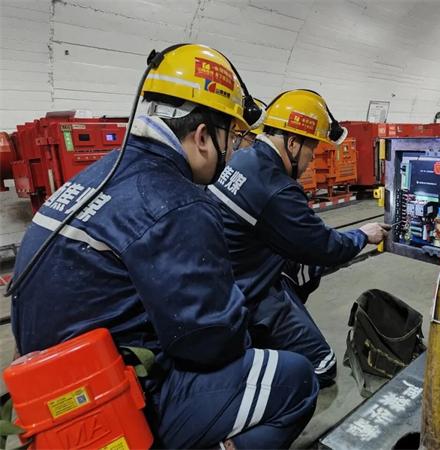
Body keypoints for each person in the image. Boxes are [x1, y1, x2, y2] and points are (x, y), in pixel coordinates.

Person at [9, 45, 318, 449]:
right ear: (203, 136)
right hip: (113, 403)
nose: (234, 151)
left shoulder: (102, 173)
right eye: (232, 137)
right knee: (295, 380)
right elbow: (209, 342)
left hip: (48, 396)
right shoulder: (178, 201)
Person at [208, 90, 390, 387]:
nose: (310, 160)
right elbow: (324, 247)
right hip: (248, 289)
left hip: (225, 273)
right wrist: (362, 235)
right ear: (292, 143)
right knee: (322, 366)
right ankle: (253, 362)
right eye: (311, 150)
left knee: (304, 266)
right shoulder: (276, 187)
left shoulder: (242, 158)